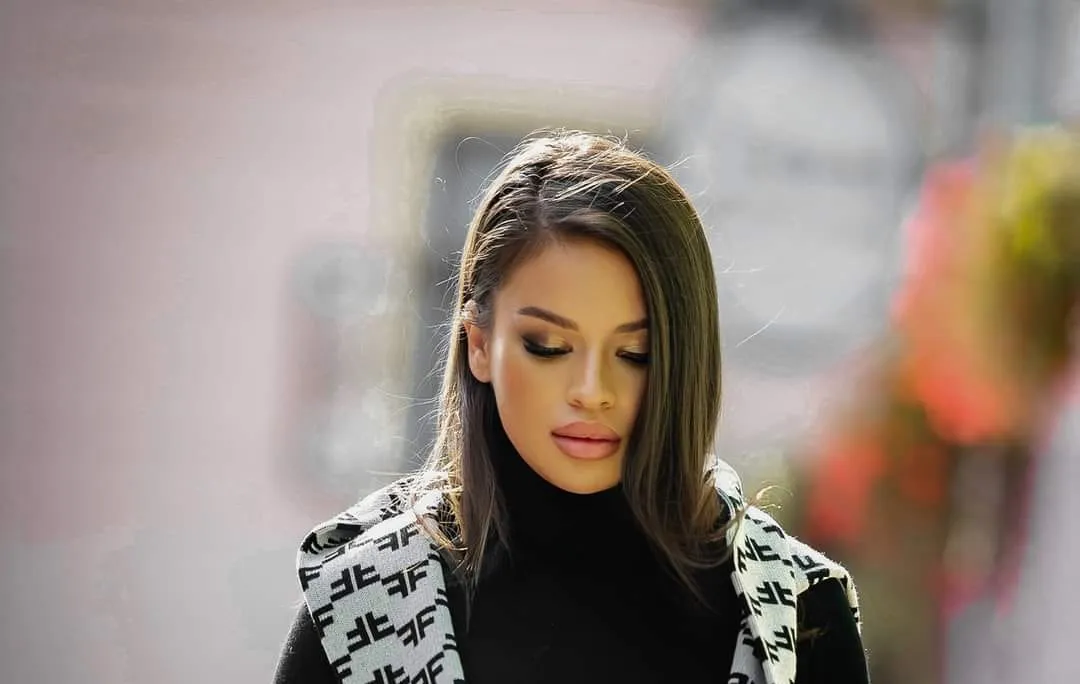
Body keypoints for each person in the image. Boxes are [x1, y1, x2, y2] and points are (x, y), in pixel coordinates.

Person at [273, 130, 868, 684]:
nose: (591, 389)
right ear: (478, 344)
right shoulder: (364, 601)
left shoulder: (796, 612)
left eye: (636, 354)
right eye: (548, 346)